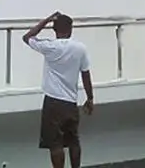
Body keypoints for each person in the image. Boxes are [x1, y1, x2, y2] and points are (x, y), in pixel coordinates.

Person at [23, 12, 94, 168]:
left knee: (56, 144)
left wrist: (46, 20)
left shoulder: (50, 47)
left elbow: (27, 37)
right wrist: (90, 98)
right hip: (71, 102)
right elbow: (86, 75)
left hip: (53, 102)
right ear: (70, 29)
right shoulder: (80, 49)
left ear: (54, 29)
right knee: (74, 140)